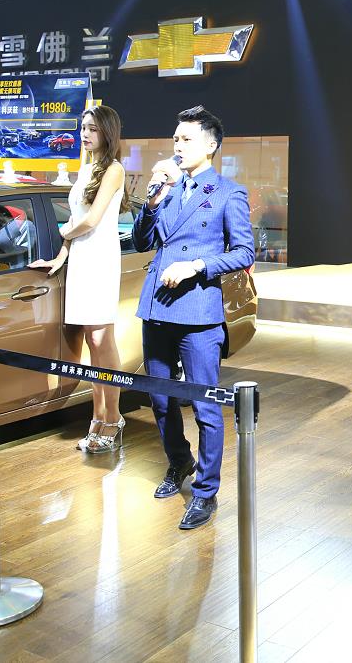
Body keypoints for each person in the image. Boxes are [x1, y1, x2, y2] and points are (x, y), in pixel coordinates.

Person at [133, 105, 254, 530]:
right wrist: (152, 199)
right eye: (175, 139)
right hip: (156, 306)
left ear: (211, 146)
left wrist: (196, 265)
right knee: (160, 399)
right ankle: (179, 462)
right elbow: (141, 241)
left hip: (199, 311)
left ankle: (205, 492)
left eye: (186, 139)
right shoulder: (166, 188)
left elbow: (244, 252)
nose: (177, 146)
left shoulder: (227, 193)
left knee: (205, 406)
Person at [30, 106, 128, 454]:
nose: (85, 134)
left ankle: (113, 418)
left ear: (108, 132)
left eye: (93, 129)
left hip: (100, 258)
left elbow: (91, 220)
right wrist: (60, 257)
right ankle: (98, 417)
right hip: (82, 259)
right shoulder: (85, 169)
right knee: (91, 340)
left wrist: (63, 232)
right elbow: (77, 219)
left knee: (102, 339)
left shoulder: (114, 169)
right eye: (83, 128)